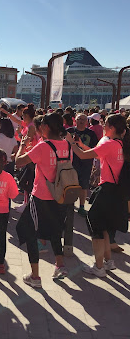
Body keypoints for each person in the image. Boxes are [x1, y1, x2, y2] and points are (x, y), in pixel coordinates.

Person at [66, 114, 130, 277]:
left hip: (106, 190)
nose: (102, 125)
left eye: (105, 123)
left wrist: (72, 142)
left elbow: (82, 155)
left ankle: (99, 266)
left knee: (96, 227)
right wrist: (81, 145)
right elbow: (97, 153)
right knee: (105, 227)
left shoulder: (108, 143)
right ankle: (108, 262)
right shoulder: (119, 143)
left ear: (112, 128)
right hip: (116, 191)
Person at [15, 113, 71, 288]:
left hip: (41, 197)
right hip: (60, 196)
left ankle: (35, 276)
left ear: (46, 127)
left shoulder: (43, 146)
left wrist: (23, 146)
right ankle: (60, 265)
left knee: (28, 232)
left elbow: (18, 162)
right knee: (55, 230)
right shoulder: (67, 145)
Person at [66, 114, 98, 216]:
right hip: (70, 162)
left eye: (84, 119)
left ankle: (82, 206)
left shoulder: (91, 133)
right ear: (75, 120)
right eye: (79, 119)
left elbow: (94, 149)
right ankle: (68, 204)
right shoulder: (69, 132)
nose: (81, 121)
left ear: (87, 121)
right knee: (69, 185)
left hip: (86, 163)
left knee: (83, 186)